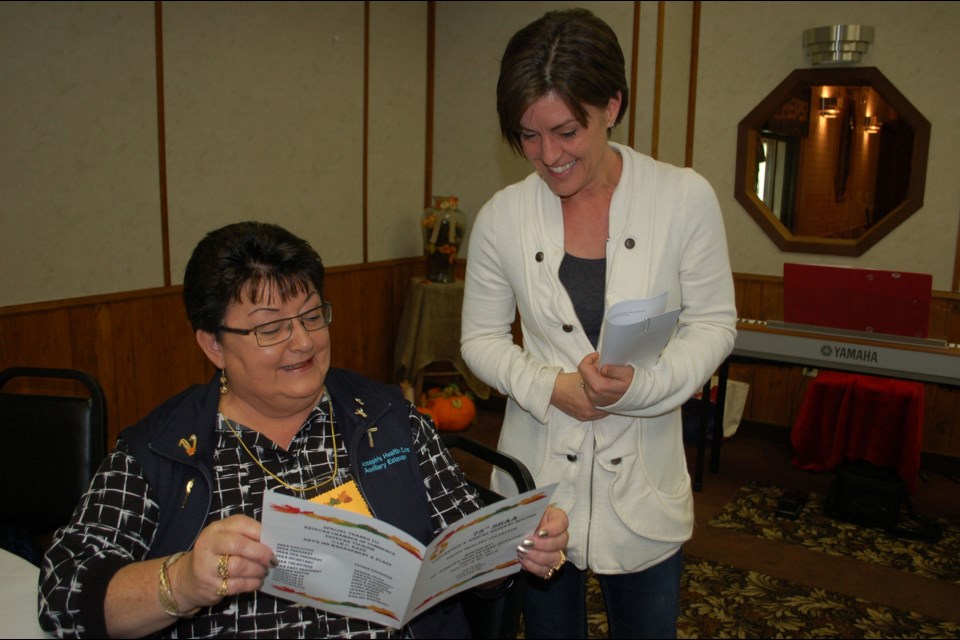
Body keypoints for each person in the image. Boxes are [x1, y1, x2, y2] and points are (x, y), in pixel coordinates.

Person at [39, 221, 569, 639]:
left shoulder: (385, 418)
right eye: (271, 328)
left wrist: (521, 546)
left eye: (313, 316)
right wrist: (181, 581)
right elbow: (62, 596)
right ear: (213, 345)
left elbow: (473, 547)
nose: (303, 343)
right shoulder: (160, 450)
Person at [460, 8, 736, 639]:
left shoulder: (683, 198)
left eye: (565, 131)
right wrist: (549, 386)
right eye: (528, 137)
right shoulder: (503, 216)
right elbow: (479, 340)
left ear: (612, 105)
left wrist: (637, 388)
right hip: (539, 480)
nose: (548, 156)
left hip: (644, 483)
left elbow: (714, 324)